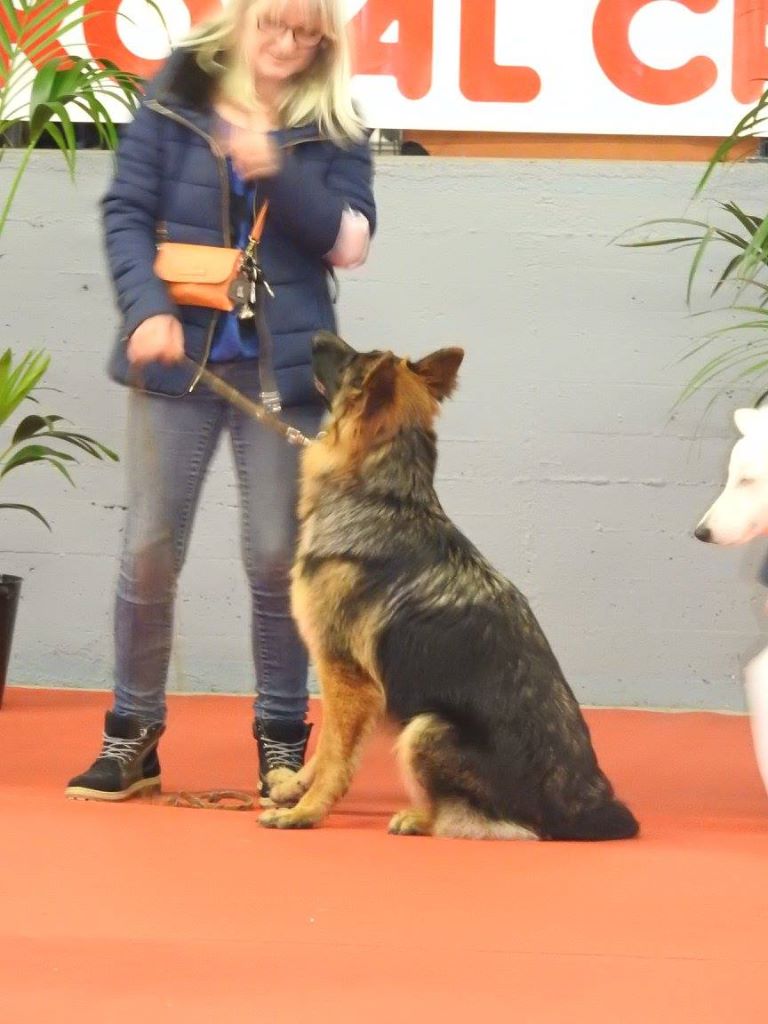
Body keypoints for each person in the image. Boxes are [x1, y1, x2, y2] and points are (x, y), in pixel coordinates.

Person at [66, 0, 376, 802]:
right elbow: (125, 212)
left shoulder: (333, 121)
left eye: (307, 36)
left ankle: (281, 737)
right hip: (179, 364)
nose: (287, 45)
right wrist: (148, 310)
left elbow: (351, 242)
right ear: (240, 22)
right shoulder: (174, 97)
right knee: (149, 549)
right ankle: (132, 733)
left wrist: (275, 163)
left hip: (286, 373)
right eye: (274, 26)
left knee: (278, 557)